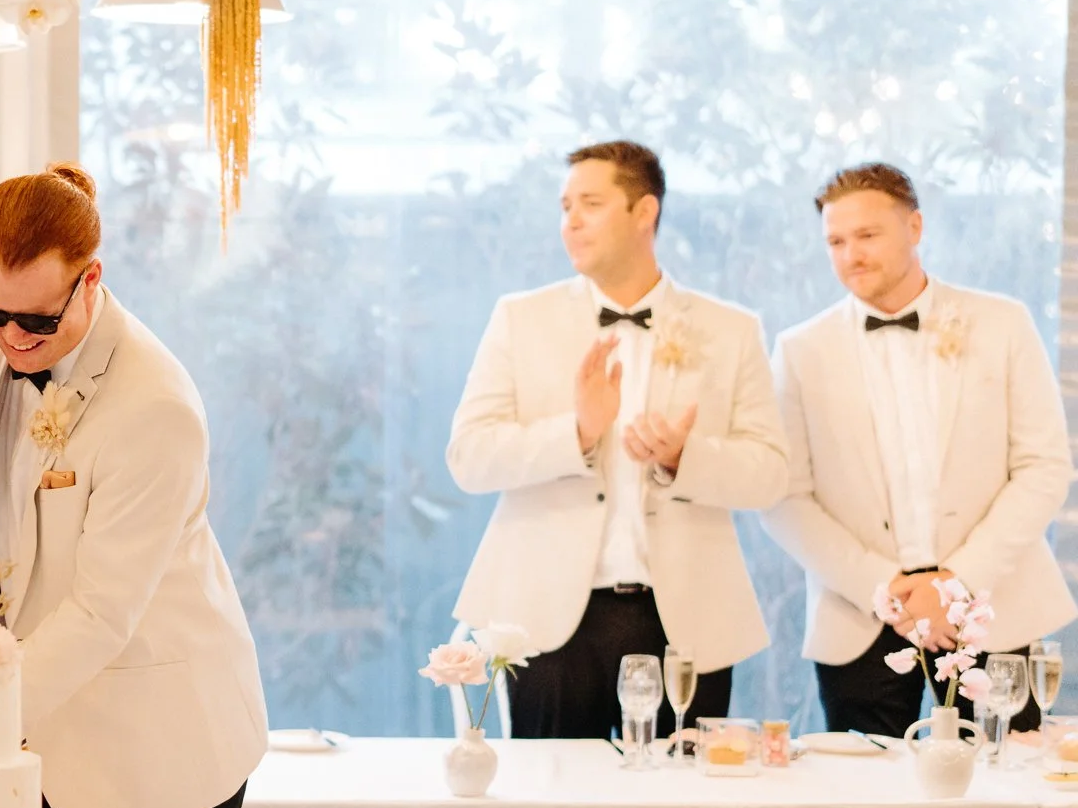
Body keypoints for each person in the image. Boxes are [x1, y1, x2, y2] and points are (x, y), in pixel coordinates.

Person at [0, 164, 267, 808]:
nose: (10, 338)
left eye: (37, 321)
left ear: (90, 279)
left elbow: (101, 612)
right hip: (45, 754)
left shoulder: (154, 407)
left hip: (158, 760)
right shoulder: (1, 343)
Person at [446, 141, 787, 738]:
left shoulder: (730, 330)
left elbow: (771, 474)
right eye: (565, 206)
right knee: (552, 792)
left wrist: (684, 458)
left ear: (644, 212)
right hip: (548, 622)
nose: (571, 221)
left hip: (687, 619)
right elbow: (469, 458)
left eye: (591, 203)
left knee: (682, 794)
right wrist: (576, 432)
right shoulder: (520, 319)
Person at [763, 162, 1074, 736]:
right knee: (866, 789)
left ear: (915, 227)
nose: (851, 255)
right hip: (861, 620)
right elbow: (784, 498)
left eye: (867, 235)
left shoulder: (1002, 324)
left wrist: (956, 584)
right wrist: (884, 588)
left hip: (995, 607)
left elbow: (1044, 468)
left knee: (1004, 779)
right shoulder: (800, 350)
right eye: (836, 241)